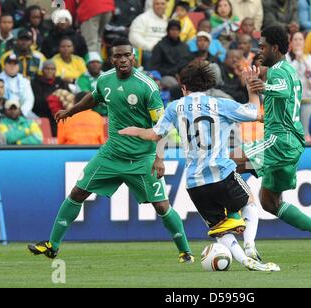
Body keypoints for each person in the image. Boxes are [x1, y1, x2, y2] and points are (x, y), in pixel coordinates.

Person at [27, 38, 194, 264]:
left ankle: (185, 252)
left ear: (134, 57)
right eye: (118, 56)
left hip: (141, 158)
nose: (123, 59)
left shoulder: (147, 86)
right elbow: (94, 97)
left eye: (127, 55)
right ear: (111, 58)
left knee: (162, 205)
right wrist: (71, 111)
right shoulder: (105, 80)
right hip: (111, 154)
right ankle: (52, 246)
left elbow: (161, 127)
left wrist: (159, 158)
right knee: (77, 193)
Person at [118, 60, 278, 271]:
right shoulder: (220, 104)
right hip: (221, 173)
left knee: (220, 229)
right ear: (207, 85)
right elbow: (254, 113)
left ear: (183, 87)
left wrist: (136, 131)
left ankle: (245, 261)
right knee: (249, 202)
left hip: (194, 183)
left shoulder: (175, 107)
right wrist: (252, 90)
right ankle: (249, 245)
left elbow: (155, 134)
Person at [235, 26, 311, 264]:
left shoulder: (277, 72)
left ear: (275, 47)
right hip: (291, 144)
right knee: (270, 203)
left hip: (279, 141)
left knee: (227, 164)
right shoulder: (288, 69)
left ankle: (228, 233)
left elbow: (281, 91)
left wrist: (264, 87)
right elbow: (286, 94)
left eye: (262, 46)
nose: (259, 51)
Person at [286, 31, 311, 137]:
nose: (298, 42)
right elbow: (286, 79)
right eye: (295, 39)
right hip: (290, 102)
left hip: (307, 100)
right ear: (290, 43)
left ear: (304, 42)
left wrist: (304, 64)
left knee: (306, 133)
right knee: (291, 133)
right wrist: (296, 60)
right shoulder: (285, 59)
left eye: (300, 39)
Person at [31, 60, 69, 136]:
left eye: (52, 69)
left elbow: (68, 97)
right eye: (47, 69)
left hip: (59, 114)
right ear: (42, 70)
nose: (50, 71)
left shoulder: (61, 82)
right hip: (42, 114)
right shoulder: (35, 82)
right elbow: (36, 101)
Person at [129, 0, 168, 70]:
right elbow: (133, 37)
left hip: (164, 51)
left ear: (166, 6)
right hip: (147, 50)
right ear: (152, 5)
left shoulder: (166, 21)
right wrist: (151, 47)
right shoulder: (142, 18)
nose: (160, 6)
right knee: (149, 56)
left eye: (162, 4)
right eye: (157, 4)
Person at [0, 54, 35, 119]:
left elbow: (29, 99)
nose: (12, 66)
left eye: (15, 64)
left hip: (21, 112)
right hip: (2, 112)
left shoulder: (24, 81)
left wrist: (21, 112)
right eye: (9, 64)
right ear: (4, 65)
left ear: (18, 66)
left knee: (38, 123)